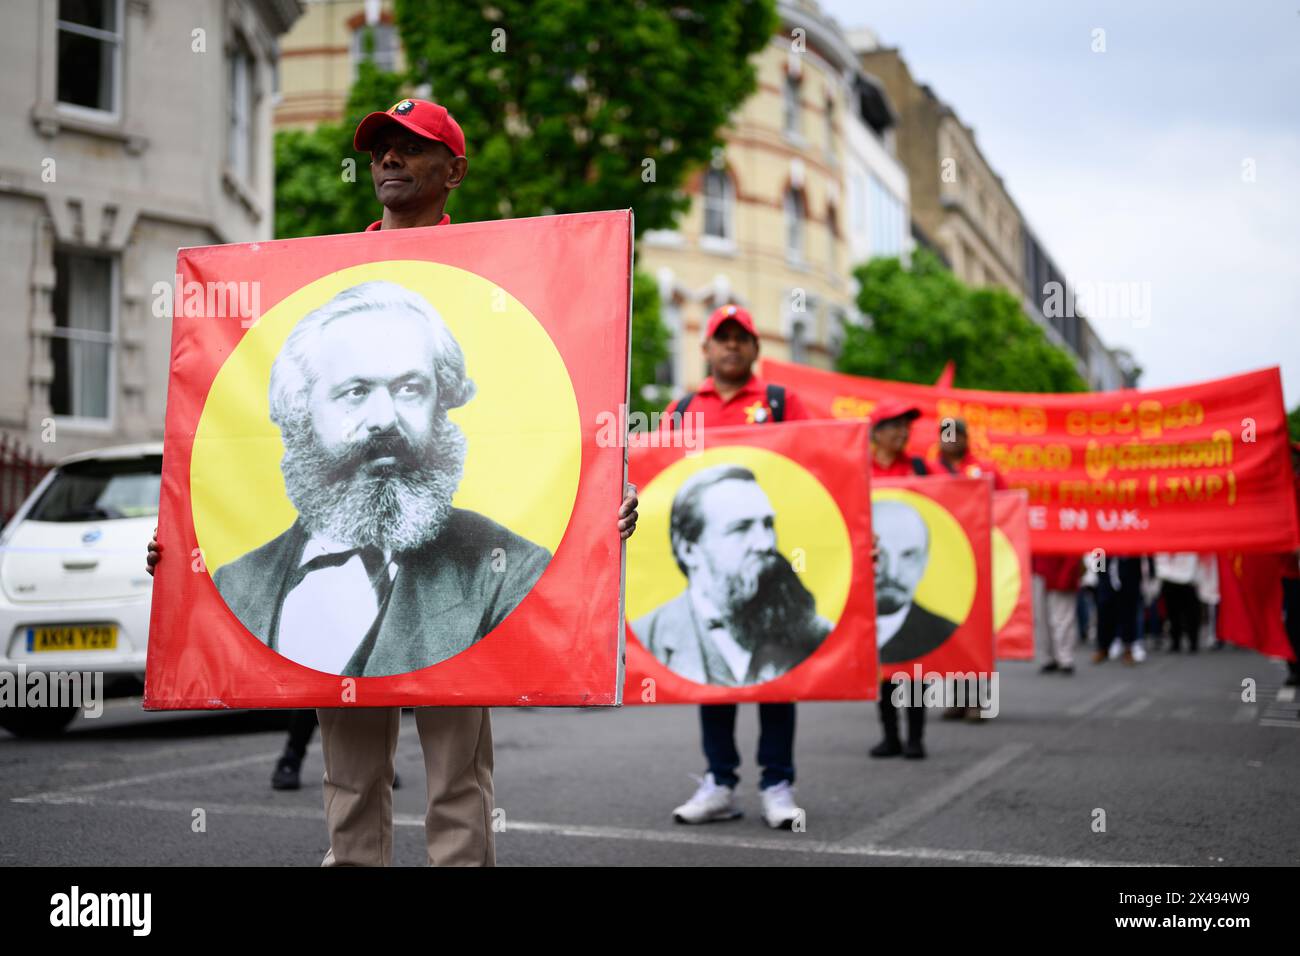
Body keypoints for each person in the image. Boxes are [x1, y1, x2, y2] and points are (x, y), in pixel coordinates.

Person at [148, 97, 640, 866]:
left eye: (411, 146)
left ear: (455, 171)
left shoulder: (501, 270)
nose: (389, 159)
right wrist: (177, 542)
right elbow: (217, 439)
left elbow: (565, 405)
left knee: (457, 781)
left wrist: (610, 496)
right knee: (349, 785)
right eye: (381, 147)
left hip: (469, 596)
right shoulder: (314, 280)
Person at [213, 279, 550, 677]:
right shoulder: (234, 585)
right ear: (301, 409)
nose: (384, 419)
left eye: (410, 388)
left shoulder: (509, 570)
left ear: (440, 401)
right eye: (356, 392)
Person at [656, 303, 812, 830]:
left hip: (771, 566)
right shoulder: (679, 413)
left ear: (755, 348)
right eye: (721, 338)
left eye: (740, 337)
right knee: (710, 674)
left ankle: (777, 783)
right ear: (705, 349)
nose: (731, 346)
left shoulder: (781, 403)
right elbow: (661, 490)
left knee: (777, 676)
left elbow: (824, 467)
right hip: (714, 576)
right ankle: (719, 781)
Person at [633, 465, 831, 685]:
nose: (765, 543)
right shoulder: (646, 637)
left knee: (778, 716)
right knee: (717, 717)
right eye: (741, 528)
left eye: (768, 524)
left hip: (780, 703)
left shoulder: (814, 631)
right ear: (689, 550)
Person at [867, 402, 931, 758]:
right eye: (894, 425)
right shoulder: (859, 469)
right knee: (881, 661)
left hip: (908, 579)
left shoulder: (921, 468)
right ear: (876, 433)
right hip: (872, 575)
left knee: (913, 660)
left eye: (906, 426)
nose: (902, 432)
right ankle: (889, 735)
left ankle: (916, 737)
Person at [1033, 555, 1082, 674]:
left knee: (1063, 618)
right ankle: (1048, 657)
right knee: (1040, 618)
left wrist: (1068, 572)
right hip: (1039, 570)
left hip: (1061, 566)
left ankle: (1065, 658)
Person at [1093, 555, 1141, 665]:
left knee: (1128, 614)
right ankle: (1103, 647)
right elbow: (1098, 552)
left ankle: (1128, 647)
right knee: (1104, 614)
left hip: (1128, 578)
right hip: (1106, 578)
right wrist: (1100, 575)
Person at [1155, 552, 1201, 653]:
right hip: (1169, 580)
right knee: (1173, 614)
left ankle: (1193, 642)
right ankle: (1176, 642)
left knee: (1191, 614)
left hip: (1187, 579)